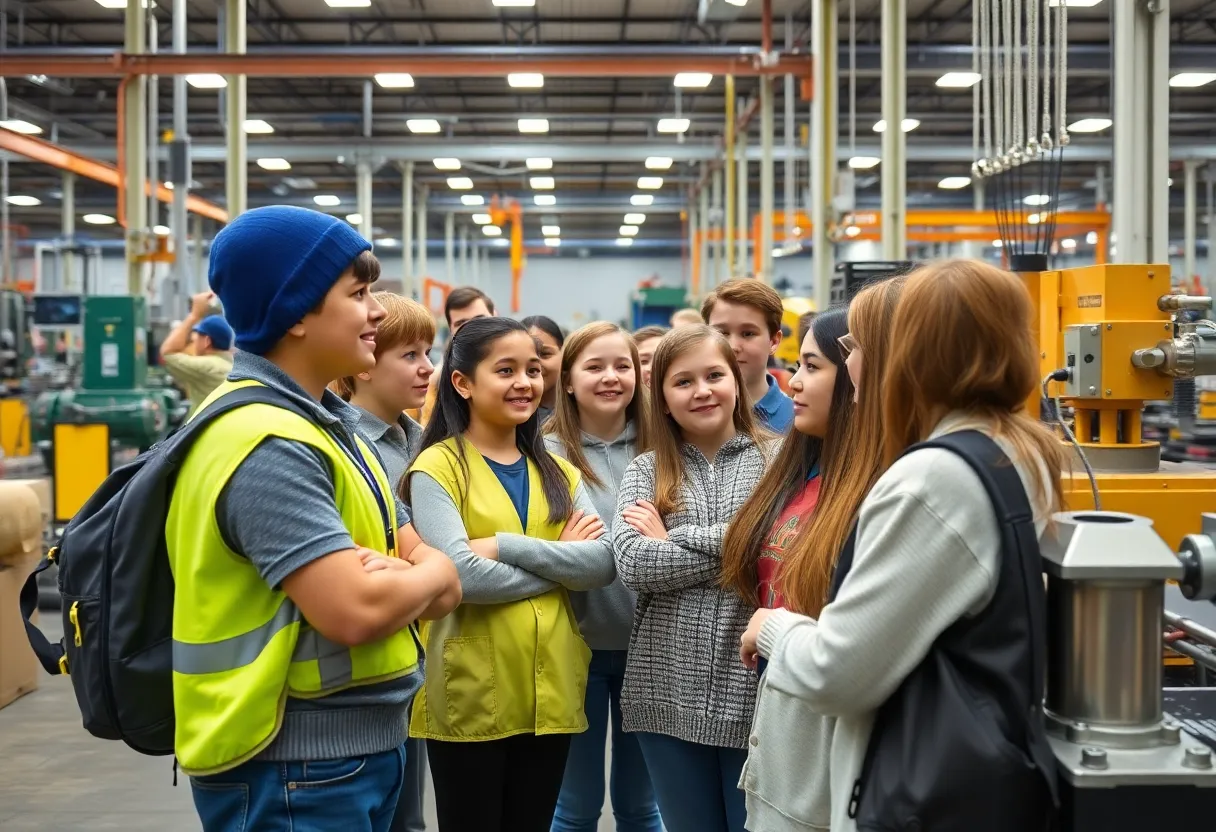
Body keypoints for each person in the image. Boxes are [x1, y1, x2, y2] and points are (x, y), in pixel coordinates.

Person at [166, 205, 462, 832]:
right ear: (296, 312)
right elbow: (355, 610)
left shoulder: (331, 428)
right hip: (293, 765)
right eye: (358, 295)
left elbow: (448, 582)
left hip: (354, 753)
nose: (377, 313)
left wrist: (417, 576)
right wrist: (422, 573)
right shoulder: (268, 443)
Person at [740, 261, 1064, 832]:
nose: (854, 361)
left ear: (910, 353)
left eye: (856, 346)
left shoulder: (931, 482)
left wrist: (774, 626)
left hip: (916, 794)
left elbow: (836, 671)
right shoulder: (1020, 451)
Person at [404, 315, 618, 832]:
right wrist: (558, 564)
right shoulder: (437, 468)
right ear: (463, 383)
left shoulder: (561, 471)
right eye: (505, 370)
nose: (525, 383)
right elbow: (459, 577)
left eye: (532, 369)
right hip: (471, 692)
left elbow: (603, 564)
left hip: (550, 692)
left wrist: (503, 546)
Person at [613, 324, 771, 832]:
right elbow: (635, 564)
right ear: (660, 398)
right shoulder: (646, 469)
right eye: (683, 382)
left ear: (736, 382)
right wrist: (739, 545)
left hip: (752, 690)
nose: (701, 391)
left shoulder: (778, 459)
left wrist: (673, 540)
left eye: (714, 376)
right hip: (666, 691)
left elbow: (777, 549)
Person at [717, 306, 856, 832]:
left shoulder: (877, 491)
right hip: (777, 715)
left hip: (827, 739)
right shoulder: (797, 465)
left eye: (812, 367)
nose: (793, 382)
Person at [544, 322, 662, 832]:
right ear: (567, 380)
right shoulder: (544, 453)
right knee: (574, 808)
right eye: (595, 366)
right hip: (575, 650)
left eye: (623, 365)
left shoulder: (665, 449)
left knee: (643, 809)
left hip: (654, 649)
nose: (611, 377)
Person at [331, 291, 437, 832]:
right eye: (410, 355)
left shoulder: (421, 440)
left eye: (429, 353)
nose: (427, 369)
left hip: (418, 654)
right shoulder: (347, 445)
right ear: (366, 362)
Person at [701, 279, 795, 434]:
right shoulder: (688, 416)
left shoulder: (797, 424)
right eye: (721, 333)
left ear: (774, 341)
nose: (733, 346)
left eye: (748, 334)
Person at [421, 286, 497, 425]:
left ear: (495, 315)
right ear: (451, 330)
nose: (472, 328)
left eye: (479, 319)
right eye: (461, 323)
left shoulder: (524, 362)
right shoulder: (436, 382)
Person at [159, 291, 236, 415]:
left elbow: (168, 353)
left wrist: (194, 315)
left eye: (197, 336)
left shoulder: (209, 366)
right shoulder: (231, 365)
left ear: (206, 341)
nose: (194, 341)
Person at [521, 315, 565, 425]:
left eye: (545, 354)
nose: (536, 365)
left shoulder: (583, 409)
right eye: (525, 355)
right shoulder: (508, 413)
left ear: (564, 354)